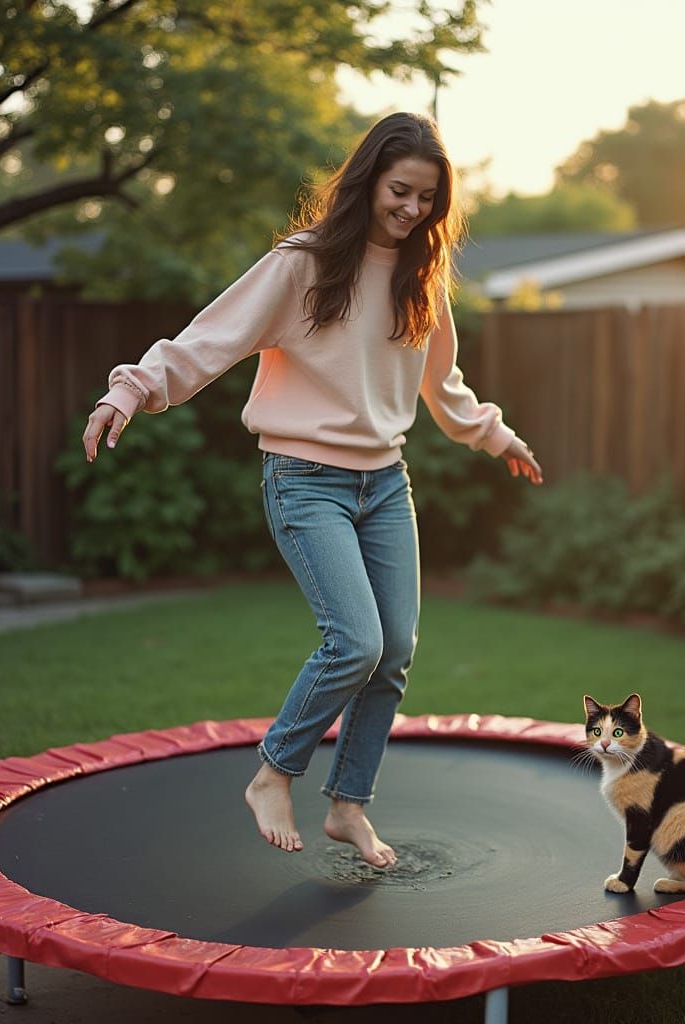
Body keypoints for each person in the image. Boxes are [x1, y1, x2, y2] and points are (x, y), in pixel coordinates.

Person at [82, 112, 543, 869]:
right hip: (305, 481)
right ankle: (273, 773)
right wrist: (130, 391)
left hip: (385, 485)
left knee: (393, 652)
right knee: (354, 641)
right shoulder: (303, 264)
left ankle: (348, 805)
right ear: (369, 181)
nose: (411, 209)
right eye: (400, 191)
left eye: (427, 199)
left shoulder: (421, 278)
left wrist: (494, 435)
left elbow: (443, 382)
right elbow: (212, 337)